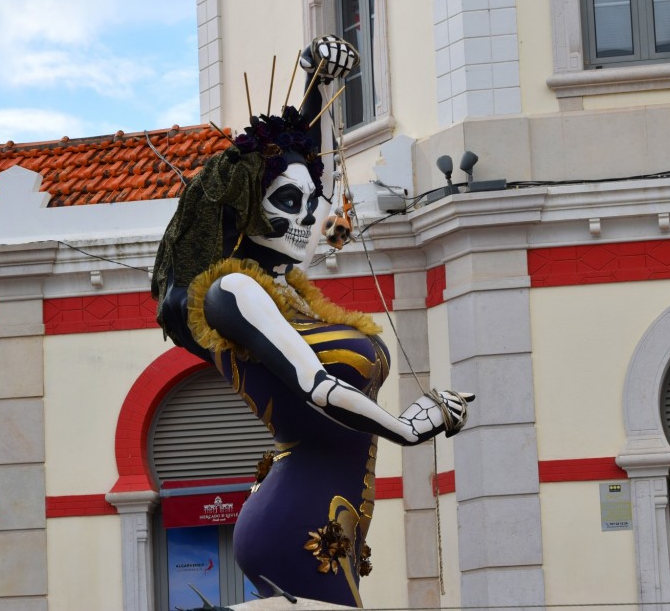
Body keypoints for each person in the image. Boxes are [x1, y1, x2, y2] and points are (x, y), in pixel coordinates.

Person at [151, 37, 473, 608]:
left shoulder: (286, 297)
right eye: (285, 202)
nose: (306, 219)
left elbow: (305, 151)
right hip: (297, 514)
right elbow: (316, 385)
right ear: (247, 206)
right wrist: (405, 429)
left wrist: (321, 85)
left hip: (331, 511)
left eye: (311, 201)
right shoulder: (233, 292)